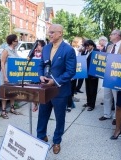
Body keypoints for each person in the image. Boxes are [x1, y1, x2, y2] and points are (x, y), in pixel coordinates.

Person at [37, 24, 76, 154]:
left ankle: (57, 141)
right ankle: (41, 137)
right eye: (49, 32)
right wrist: (41, 75)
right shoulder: (46, 48)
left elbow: (71, 71)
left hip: (60, 91)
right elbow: (41, 64)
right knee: (42, 115)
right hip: (45, 89)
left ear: (60, 33)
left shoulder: (68, 50)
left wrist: (55, 81)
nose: (50, 34)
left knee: (60, 118)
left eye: (52, 32)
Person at [99, 30, 121, 125]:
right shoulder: (110, 47)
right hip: (107, 75)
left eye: (111, 34)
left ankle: (116, 117)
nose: (110, 36)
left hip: (117, 76)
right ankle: (107, 114)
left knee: (116, 97)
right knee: (106, 95)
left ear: (117, 35)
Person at [0, 34, 22, 119]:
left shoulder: (14, 50)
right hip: (7, 75)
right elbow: (2, 63)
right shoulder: (6, 50)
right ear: (12, 42)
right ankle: (3, 111)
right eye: (16, 41)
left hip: (14, 75)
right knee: (5, 93)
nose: (17, 42)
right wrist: (5, 76)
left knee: (13, 92)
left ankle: (12, 108)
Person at [82, 40, 99, 111]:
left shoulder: (96, 52)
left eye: (88, 45)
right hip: (87, 73)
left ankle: (92, 105)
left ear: (92, 45)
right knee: (88, 89)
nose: (87, 47)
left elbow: (98, 63)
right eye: (86, 46)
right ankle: (88, 102)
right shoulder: (86, 52)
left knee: (93, 90)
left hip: (93, 75)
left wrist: (95, 75)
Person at [67, 37, 82, 112]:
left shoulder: (79, 50)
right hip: (72, 72)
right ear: (76, 42)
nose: (81, 43)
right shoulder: (72, 50)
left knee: (72, 87)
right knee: (70, 87)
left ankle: (71, 101)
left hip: (76, 71)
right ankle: (69, 104)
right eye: (80, 42)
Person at [32, 40, 46, 112]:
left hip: (41, 75)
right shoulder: (33, 53)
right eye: (36, 45)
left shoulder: (45, 54)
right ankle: (35, 105)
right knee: (34, 90)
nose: (37, 47)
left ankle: (41, 104)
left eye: (39, 45)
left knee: (41, 90)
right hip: (33, 75)